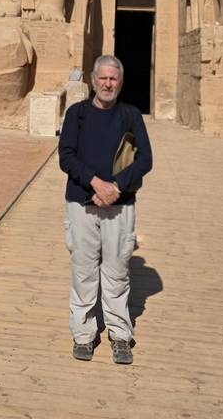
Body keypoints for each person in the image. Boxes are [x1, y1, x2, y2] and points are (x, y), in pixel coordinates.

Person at [59, 55, 153, 365]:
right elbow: (66, 157)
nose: (108, 84)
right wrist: (96, 184)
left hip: (120, 204)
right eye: (103, 78)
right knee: (84, 271)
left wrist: (115, 187)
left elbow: (145, 160)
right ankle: (84, 334)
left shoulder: (130, 115)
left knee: (116, 271)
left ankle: (119, 334)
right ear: (93, 79)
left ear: (120, 82)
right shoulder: (77, 114)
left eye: (113, 79)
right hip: (82, 203)